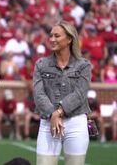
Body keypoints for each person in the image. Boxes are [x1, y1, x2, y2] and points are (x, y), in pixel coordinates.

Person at [33, 21, 91, 165]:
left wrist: (59, 112)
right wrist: (53, 114)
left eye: (57, 36)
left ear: (69, 39)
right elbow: (38, 94)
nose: (52, 39)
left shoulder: (83, 65)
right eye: (51, 35)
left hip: (76, 122)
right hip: (48, 122)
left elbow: (80, 94)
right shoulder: (41, 64)